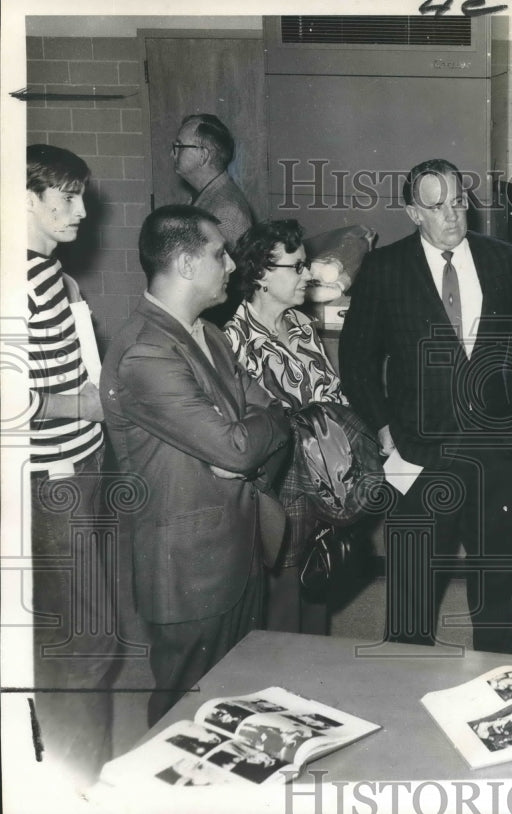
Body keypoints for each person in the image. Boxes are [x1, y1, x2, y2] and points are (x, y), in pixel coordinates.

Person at [339, 158, 512, 654]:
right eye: (436, 206)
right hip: (419, 457)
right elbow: (357, 361)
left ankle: (499, 695)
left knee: (496, 600)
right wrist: (387, 435)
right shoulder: (386, 269)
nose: (452, 216)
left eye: (458, 202)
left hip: (494, 460)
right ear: (413, 213)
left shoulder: (500, 260)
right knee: (412, 600)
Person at [100, 205, 291, 725]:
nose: (231, 265)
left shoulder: (209, 333)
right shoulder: (145, 353)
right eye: (219, 254)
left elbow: (271, 408)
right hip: (189, 569)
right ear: (185, 264)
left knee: (235, 704)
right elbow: (238, 447)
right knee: (181, 717)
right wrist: (248, 438)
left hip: (236, 547)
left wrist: (252, 432)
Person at [25, 144, 121, 784]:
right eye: (66, 198)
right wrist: (85, 402)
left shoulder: (49, 275)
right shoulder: (21, 277)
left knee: (69, 636)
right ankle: (78, 786)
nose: (82, 211)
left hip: (78, 472)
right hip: (52, 481)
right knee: (86, 644)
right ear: (26, 200)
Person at [224, 219, 347, 635]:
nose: (307, 274)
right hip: (278, 487)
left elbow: (332, 393)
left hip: (324, 481)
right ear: (260, 274)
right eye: (296, 267)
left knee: (317, 589)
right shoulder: (232, 340)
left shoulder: (301, 324)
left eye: (306, 264)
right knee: (281, 604)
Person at [172, 113, 254, 249]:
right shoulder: (206, 194)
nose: (172, 153)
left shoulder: (228, 212)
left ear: (203, 156)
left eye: (179, 146)